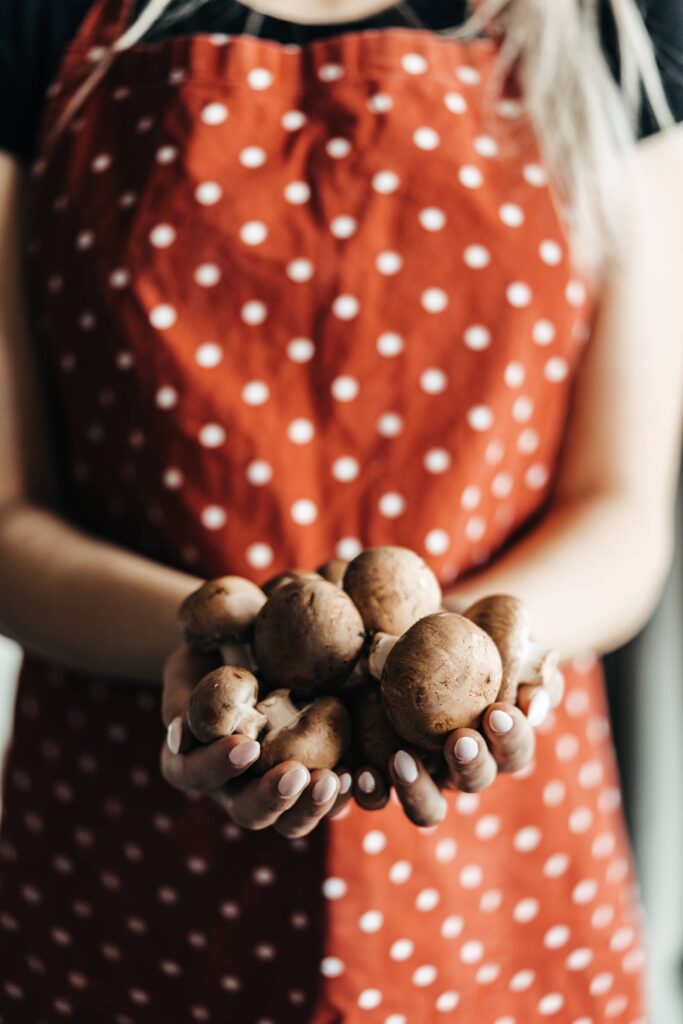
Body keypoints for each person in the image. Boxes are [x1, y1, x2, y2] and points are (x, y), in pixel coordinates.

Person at [0, 0, 682, 1020]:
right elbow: (7, 519)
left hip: (501, 860)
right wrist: (215, 651)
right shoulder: (41, 22)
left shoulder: (612, 25)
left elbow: (621, 510)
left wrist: (472, 666)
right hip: (127, 835)